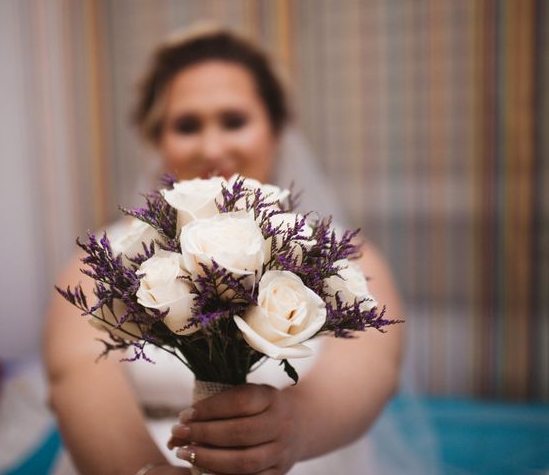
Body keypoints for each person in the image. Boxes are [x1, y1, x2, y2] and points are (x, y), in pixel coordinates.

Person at [44, 25, 405, 475]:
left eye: (234, 121)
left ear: (276, 129)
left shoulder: (342, 260)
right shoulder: (101, 264)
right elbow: (78, 378)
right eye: (187, 125)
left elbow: (371, 365)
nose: (212, 147)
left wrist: (292, 430)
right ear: (158, 140)